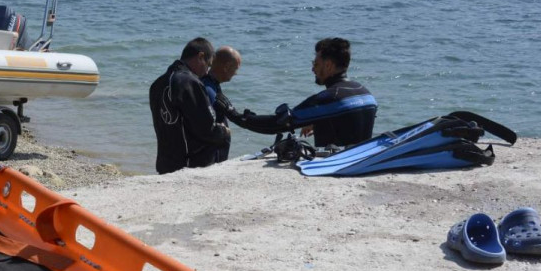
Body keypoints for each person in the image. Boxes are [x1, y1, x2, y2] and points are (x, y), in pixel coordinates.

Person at [224, 38, 376, 148]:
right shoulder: (366, 93)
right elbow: (348, 121)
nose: (313, 69)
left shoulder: (330, 98)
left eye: (315, 64)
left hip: (336, 166)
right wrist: (317, 122)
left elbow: (276, 125)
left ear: (328, 65)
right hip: (361, 160)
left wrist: (236, 116)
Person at [149, 38, 231, 175]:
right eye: (208, 65)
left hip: (165, 164)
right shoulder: (190, 82)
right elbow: (206, 129)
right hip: (188, 166)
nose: (206, 72)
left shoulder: (157, 84)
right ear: (201, 57)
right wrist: (223, 131)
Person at [199, 46, 242, 162]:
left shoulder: (211, 84)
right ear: (226, 67)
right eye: (235, 69)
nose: (236, 73)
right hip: (210, 157)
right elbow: (206, 125)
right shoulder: (208, 89)